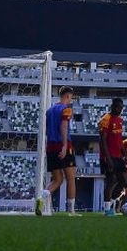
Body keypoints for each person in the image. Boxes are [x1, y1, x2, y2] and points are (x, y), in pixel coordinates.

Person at [40, 85, 77, 216]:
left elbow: (46, 129)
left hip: (50, 146)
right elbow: (64, 126)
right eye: (71, 97)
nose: (71, 99)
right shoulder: (66, 109)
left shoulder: (49, 111)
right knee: (71, 178)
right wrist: (65, 145)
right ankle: (71, 210)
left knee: (57, 179)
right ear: (68, 96)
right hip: (62, 145)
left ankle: (42, 197)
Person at [98, 98, 126, 216]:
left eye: (121, 107)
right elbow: (102, 140)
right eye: (117, 107)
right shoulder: (105, 119)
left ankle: (112, 203)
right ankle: (107, 209)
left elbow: (119, 139)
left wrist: (124, 152)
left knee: (123, 180)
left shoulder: (120, 120)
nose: (119, 109)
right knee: (111, 181)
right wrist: (108, 158)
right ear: (112, 106)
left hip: (118, 156)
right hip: (108, 157)